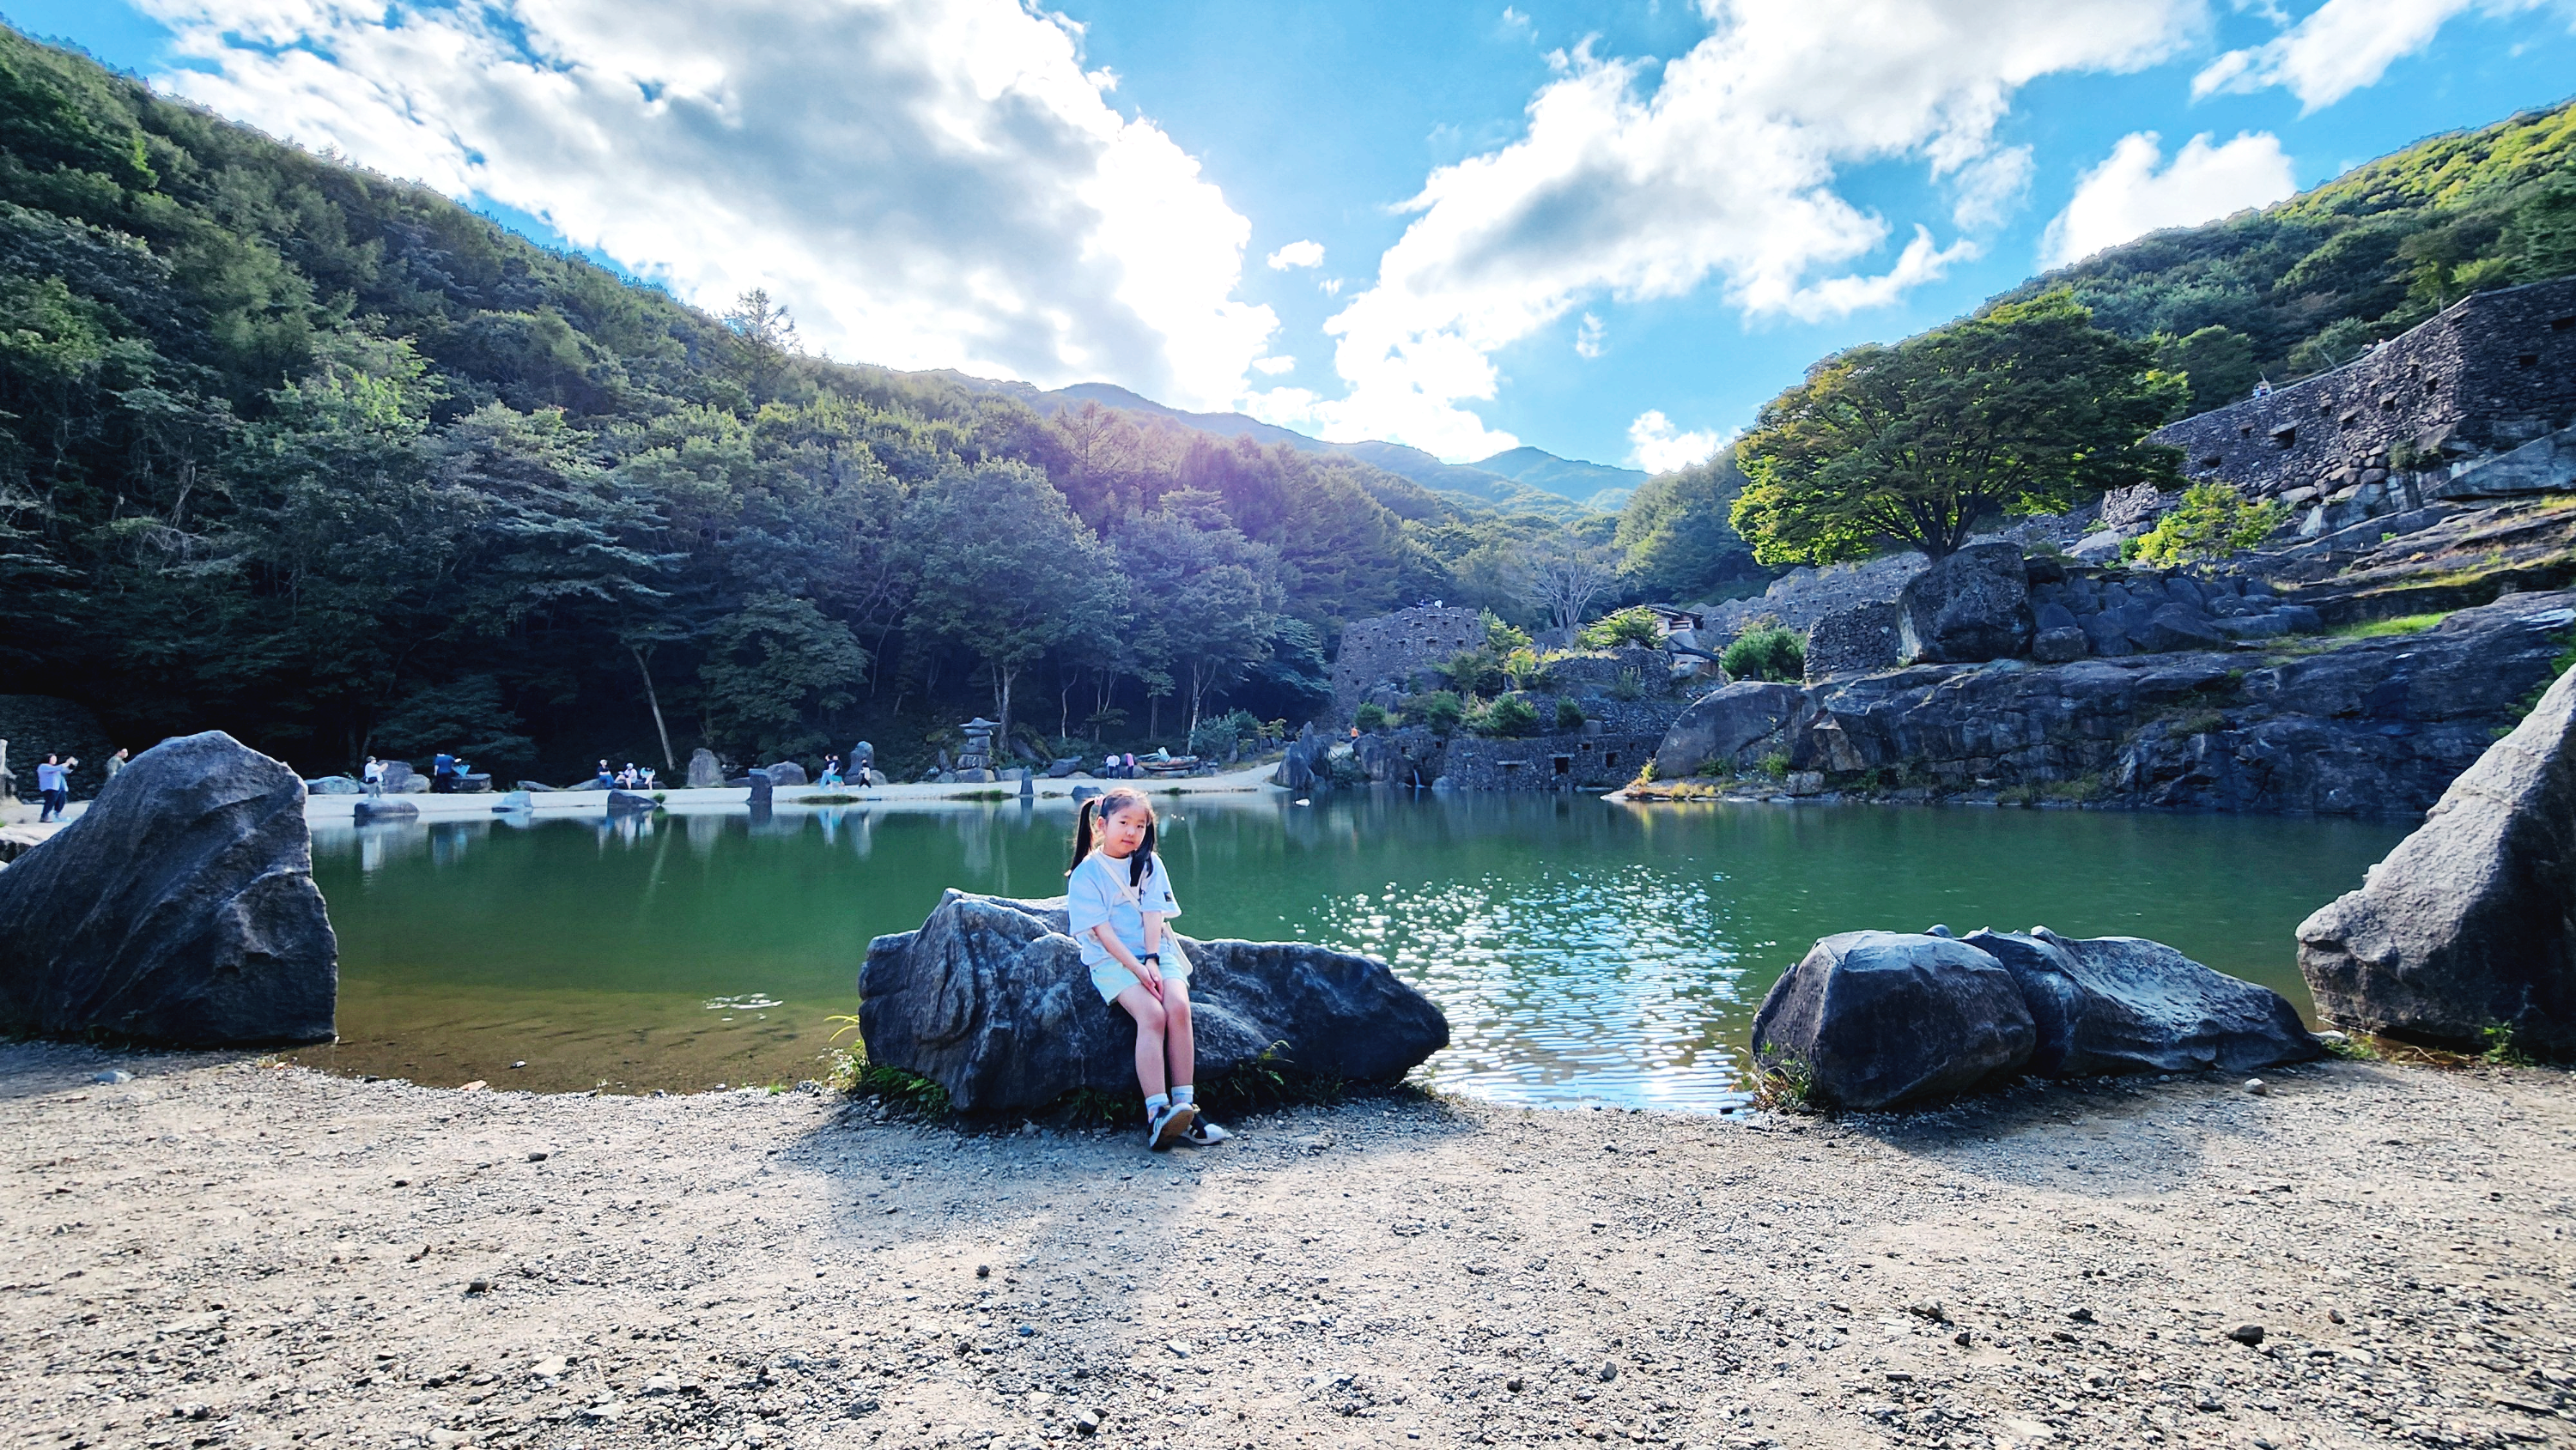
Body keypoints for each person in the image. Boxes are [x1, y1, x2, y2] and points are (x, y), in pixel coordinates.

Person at [1065, 786, 1230, 1151]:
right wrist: (1138, 970)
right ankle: (1157, 1112)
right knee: (1152, 1015)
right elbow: (1102, 933)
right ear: (1102, 825)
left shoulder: (1151, 864)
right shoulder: (1086, 874)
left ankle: (1185, 1108)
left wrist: (1152, 959)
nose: (1132, 832)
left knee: (1178, 1007)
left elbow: (1154, 914)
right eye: (1124, 823)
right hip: (1112, 961)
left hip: (1156, 951)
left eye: (1140, 825)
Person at [34, 751, 75, 822]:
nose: (55, 760)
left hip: (60, 788)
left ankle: (57, 815)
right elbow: (57, 768)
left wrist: (72, 765)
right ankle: (44, 816)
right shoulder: (43, 766)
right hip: (49, 788)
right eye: (53, 759)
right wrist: (67, 763)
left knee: (61, 801)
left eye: (55, 759)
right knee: (50, 802)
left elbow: (67, 771)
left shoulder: (56, 768)